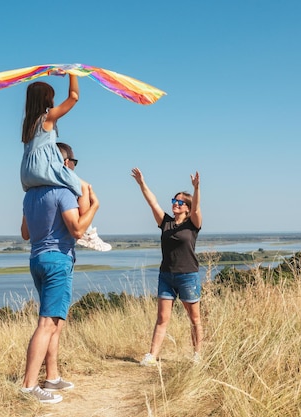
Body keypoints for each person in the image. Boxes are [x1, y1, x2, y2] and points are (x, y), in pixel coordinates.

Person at [19, 174, 101, 404]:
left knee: (55, 322)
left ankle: (52, 377)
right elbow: (77, 230)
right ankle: (29, 385)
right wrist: (94, 206)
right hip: (58, 261)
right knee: (47, 324)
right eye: (72, 164)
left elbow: (25, 234)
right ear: (63, 165)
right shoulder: (63, 192)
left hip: (37, 259)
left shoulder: (30, 196)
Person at [20, 72, 110, 251]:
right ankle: (88, 233)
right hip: (44, 169)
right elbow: (74, 97)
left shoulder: (28, 124)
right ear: (46, 100)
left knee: (77, 185)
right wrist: (73, 74)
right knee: (84, 187)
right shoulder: (47, 118)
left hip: (28, 174)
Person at [130, 168, 203, 365]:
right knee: (162, 318)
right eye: (174, 201)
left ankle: (197, 354)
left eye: (180, 202)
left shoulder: (193, 224)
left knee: (194, 318)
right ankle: (152, 355)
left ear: (186, 207)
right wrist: (142, 183)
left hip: (188, 275)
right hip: (166, 276)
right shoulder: (165, 223)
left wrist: (196, 188)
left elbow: (196, 209)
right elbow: (152, 202)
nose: (176, 204)